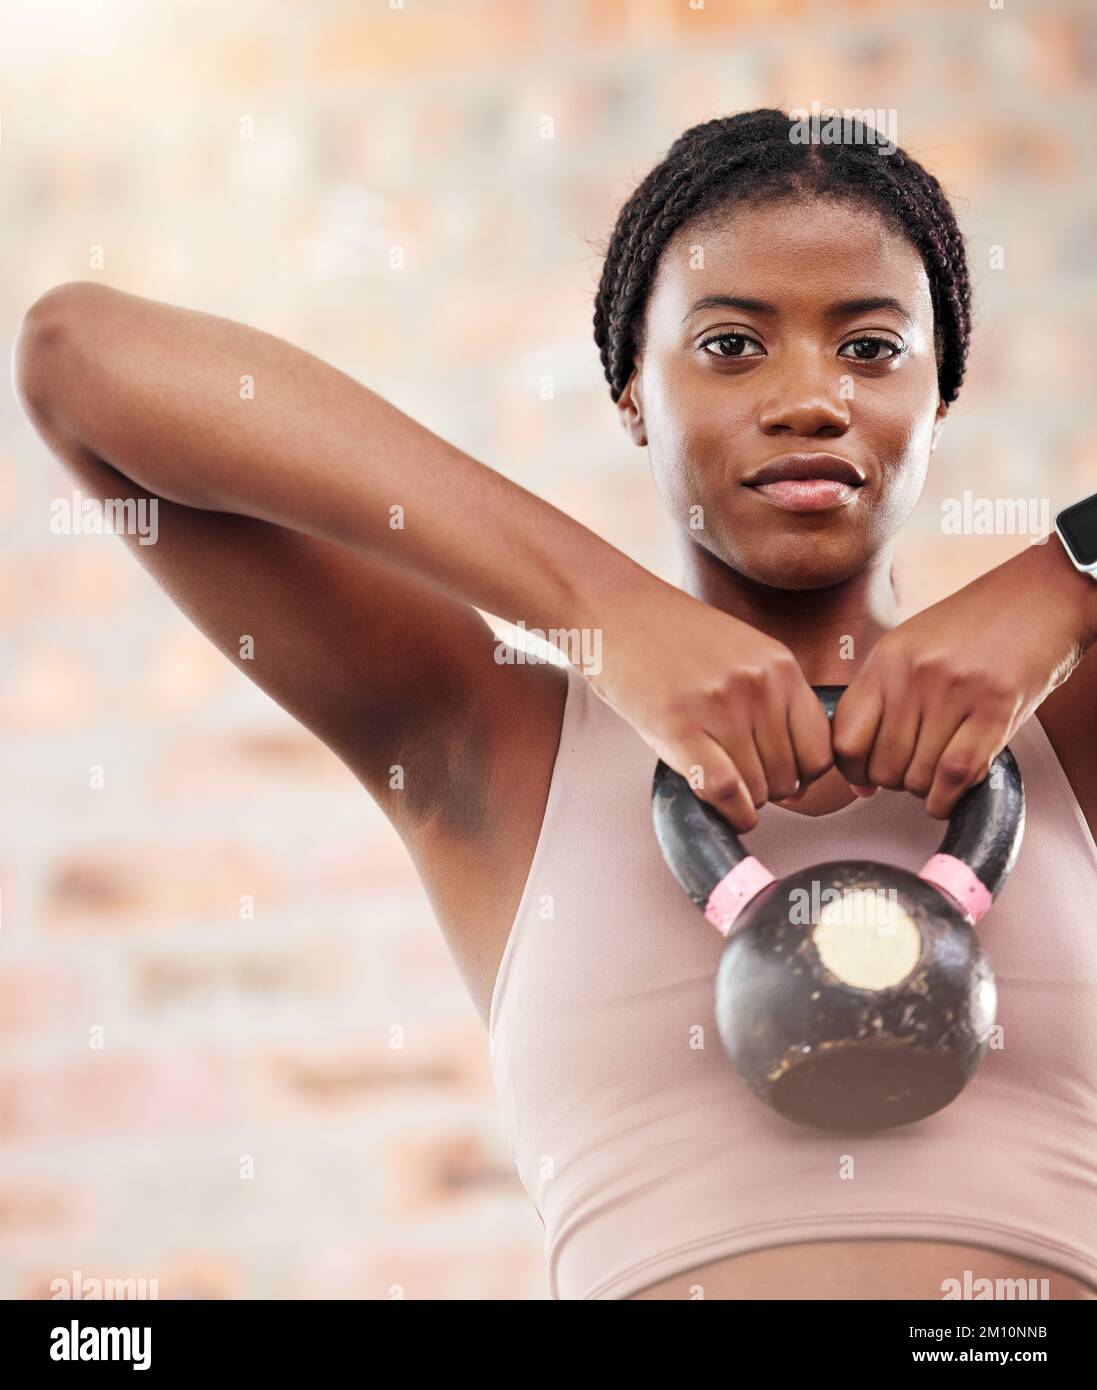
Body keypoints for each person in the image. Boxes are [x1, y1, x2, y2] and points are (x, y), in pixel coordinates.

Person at [14, 108, 1097, 1301]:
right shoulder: (496, 738)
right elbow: (79, 358)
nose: (809, 400)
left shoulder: (1064, 730)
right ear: (631, 391)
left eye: (872, 348)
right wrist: (610, 612)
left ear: (942, 392)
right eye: (731, 345)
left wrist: (1064, 572)